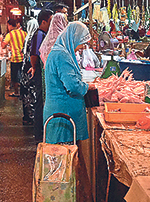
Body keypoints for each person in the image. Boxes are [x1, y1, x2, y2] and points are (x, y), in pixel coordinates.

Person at [43, 21, 97, 144]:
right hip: (63, 115)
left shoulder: (60, 52)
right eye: (82, 41)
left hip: (61, 112)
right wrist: (87, 86)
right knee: (62, 156)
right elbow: (72, 86)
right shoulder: (62, 55)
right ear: (73, 38)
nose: (84, 46)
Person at [28, 9, 53, 140]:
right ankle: (38, 134)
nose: (52, 24)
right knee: (40, 102)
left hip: (40, 71)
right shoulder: (39, 34)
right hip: (38, 72)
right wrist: (34, 67)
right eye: (50, 21)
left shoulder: (44, 34)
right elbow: (34, 54)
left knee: (41, 100)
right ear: (43, 22)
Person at [20, 18, 39, 125]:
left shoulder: (27, 38)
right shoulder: (33, 39)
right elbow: (31, 56)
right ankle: (31, 117)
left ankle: (26, 116)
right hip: (30, 68)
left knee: (26, 93)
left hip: (24, 69)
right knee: (31, 94)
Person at [2, 18, 27, 97]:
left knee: (14, 77)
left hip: (15, 58)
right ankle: (23, 93)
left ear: (9, 25)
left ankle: (16, 92)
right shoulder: (24, 33)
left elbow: (3, 46)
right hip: (23, 58)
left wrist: (0, 40)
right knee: (23, 76)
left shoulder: (10, 34)